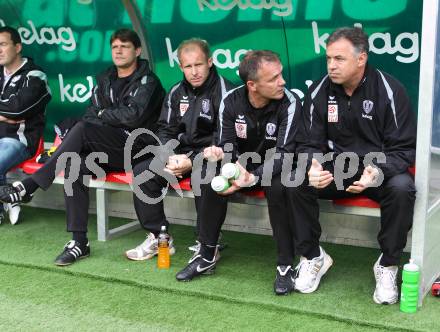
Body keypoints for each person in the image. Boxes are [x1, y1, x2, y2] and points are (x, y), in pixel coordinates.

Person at [0, 28, 165, 266]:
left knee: (85, 129)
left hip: (136, 150)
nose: (118, 51)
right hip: (108, 148)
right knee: (73, 164)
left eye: (125, 46)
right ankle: (79, 243)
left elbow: (133, 118)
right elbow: (91, 114)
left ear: (137, 51)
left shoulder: (149, 81)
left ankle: (30, 185)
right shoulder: (105, 78)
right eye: (115, 46)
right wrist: (104, 115)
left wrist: (102, 114)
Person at [287, 27, 416, 304]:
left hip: (377, 172)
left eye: (339, 59)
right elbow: (308, 142)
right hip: (337, 169)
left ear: (361, 59)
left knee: (402, 188)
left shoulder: (390, 90)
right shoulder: (320, 91)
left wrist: (378, 171)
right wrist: (313, 166)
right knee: (296, 178)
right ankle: (313, 257)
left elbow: (403, 150)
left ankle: (388, 264)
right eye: (328, 59)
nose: (331, 66)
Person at [175, 50, 302, 297]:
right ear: (252, 85)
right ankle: (207, 252)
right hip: (240, 166)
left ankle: (285, 264)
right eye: (274, 78)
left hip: (275, 167)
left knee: (280, 184)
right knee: (205, 172)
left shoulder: (290, 102)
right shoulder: (231, 101)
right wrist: (224, 161)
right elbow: (227, 145)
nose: (282, 82)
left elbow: (285, 154)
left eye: (281, 74)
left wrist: (252, 177)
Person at [124, 38, 234, 261]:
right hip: (178, 157)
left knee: (207, 175)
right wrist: (169, 156)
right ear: (180, 66)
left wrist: (192, 159)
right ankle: (158, 237)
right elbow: (164, 129)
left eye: (199, 64)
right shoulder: (175, 92)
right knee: (143, 171)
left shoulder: (226, 92)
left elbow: (224, 140)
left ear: (210, 62)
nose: (194, 72)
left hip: (212, 158)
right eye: (188, 66)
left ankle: (207, 242)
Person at [0, 26, 51, 225]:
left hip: (18, 140)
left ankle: (9, 197)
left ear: (18, 47)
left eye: (3, 44)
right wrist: (6, 115)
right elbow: (11, 111)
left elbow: (18, 109)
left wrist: (11, 114)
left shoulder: (36, 76)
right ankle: (9, 198)